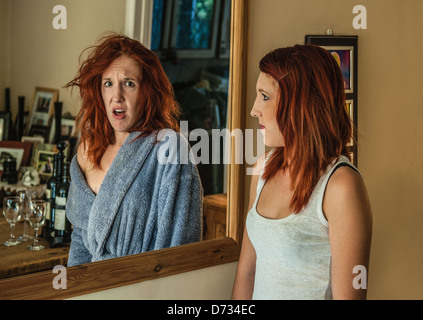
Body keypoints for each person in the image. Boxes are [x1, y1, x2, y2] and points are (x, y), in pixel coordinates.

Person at [232, 45, 373, 300]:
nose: (254, 109)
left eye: (264, 96)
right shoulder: (263, 168)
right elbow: (247, 271)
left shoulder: (341, 186)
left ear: (301, 103)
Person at [64, 34, 203, 266]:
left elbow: (181, 250)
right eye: (108, 83)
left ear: (147, 92)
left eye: (129, 84)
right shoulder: (89, 149)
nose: (116, 96)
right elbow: (80, 238)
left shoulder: (169, 148)